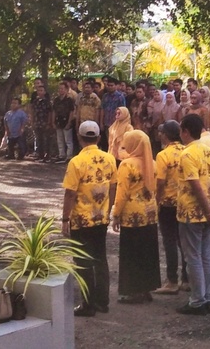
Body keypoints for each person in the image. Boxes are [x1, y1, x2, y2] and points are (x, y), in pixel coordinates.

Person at [61, 121, 118, 317]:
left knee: (82, 261)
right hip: (101, 217)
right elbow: (113, 186)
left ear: (79, 138)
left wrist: (65, 219)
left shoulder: (76, 162)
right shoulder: (109, 158)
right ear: (99, 138)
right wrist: (108, 208)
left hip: (81, 219)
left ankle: (88, 304)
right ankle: (102, 301)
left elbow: (70, 193)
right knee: (100, 258)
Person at [175, 114, 210, 316]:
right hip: (209, 210)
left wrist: (208, 210)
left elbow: (195, 185)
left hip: (192, 212)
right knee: (206, 254)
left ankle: (197, 300)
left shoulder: (187, 154)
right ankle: (208, 297)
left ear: (185, 132)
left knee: (193, 256)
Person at [112, 130, 160, 304]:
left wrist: (116, 214)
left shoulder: (127, 165)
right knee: (147, 251)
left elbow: (122, 193)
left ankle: (133, 291)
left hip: (132, 214)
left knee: (131, 253)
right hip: (150, 213)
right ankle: (146, 288)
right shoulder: (152, 163)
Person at [153, 121, 188, 295]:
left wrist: (156, 201)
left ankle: (172, 280)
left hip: (167, 203)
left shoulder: (163, 155)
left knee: (169, 241)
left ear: (166, 135)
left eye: (161, 132)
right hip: (184, 201)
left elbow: (160, 183)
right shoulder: (187, 150)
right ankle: (187, 279)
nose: (159, 135)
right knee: (184, 241)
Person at [29, 81, 53, 161]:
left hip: (45, 122)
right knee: (39, 139)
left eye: (41, 90)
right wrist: (32, 121)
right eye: (38, 91)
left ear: (45, 92)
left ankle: (47, 155)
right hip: (37, 122)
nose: (40, 92)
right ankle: (40, 155)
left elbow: (50, 112)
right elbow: (33, 111)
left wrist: (49, 122)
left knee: (46, 139)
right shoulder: (35, 101)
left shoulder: (47, 102)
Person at [101, 78, 127, 150]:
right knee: (108, 142)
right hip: (106, 123)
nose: (110, 87)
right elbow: (102, 109)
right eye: (108, 85)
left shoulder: (120, 96)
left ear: (116, 86)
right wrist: (101, 122)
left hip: (116, 123)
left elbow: (123, 110)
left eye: (112, 85)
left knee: (116, 142)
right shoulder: (105, 96)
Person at [52, 82, 75, 163]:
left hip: (66, 121)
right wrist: (53, 122)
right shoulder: (56, 100)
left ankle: (69, 156)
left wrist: (69, 122)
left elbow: (72, 112)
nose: (60, 90)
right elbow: (54, 111)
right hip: (58, 121)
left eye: (62, 89)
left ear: (66, 90)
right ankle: (61, 155)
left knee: (68, 140)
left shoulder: (69, 100)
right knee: (60, 140)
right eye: (59, 88)